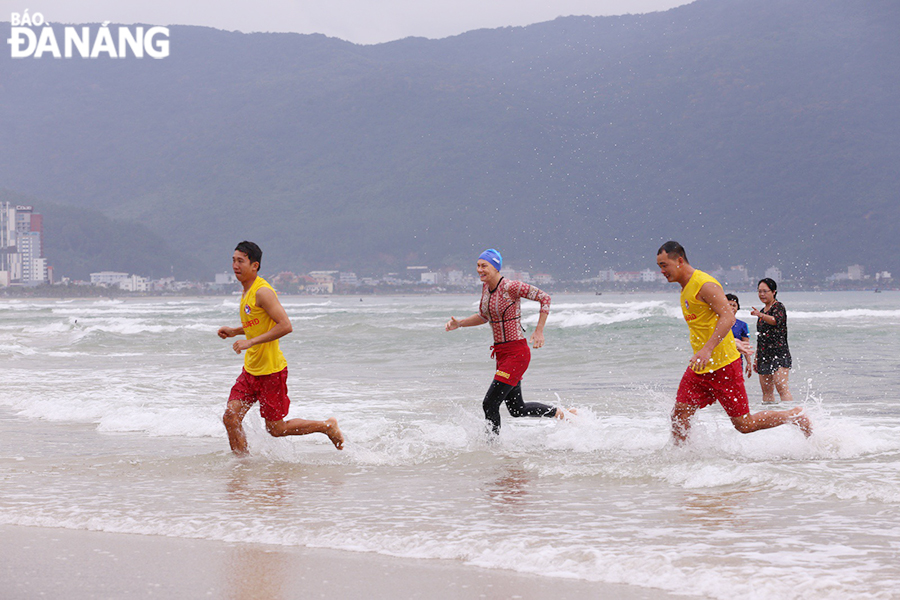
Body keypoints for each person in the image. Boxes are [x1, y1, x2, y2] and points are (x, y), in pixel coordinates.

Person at [655, 241, 811, 445]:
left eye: (664, 265)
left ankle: (794, 415)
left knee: (744, 424)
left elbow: (728, 318)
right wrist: (732, 343)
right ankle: (680, 462)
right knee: (679, 415)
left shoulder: (705, 284)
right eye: (659, 266)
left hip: (724, 367)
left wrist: (708, 349)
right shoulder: (685, 288)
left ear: (680, 260)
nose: (662, 271)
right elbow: (707, 325)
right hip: (701, 367)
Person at [218, 241, 344, 456]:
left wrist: (249, 342)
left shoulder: (262, 292)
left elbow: (285, 325)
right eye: (233, 260)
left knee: (276, 429)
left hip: (271, 372)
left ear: (254, 265)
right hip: (251, 371)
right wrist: (235, 331)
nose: (235, 265)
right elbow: (257, 324)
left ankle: (327, 426)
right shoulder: (246, 291)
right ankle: (241, 467)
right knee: (231, 417)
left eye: (241, 261)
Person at [445, 248, 572, 434]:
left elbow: (545, 298)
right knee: (517, 409)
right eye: (478, 266)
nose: (480, 269)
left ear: (496, 267)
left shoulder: (511, 287)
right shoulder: (486, 288)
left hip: (516, 354)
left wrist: (539, 331)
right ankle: (564, 414)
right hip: (502, 354)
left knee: (489, 403)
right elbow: (483, 316)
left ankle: (492, 448)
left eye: (484, 266)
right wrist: (460, 324)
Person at [751, 278, 794, 404]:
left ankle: (790, 417)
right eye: (759, 291)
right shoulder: (762, 311)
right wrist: (756, 357)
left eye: (765, 291)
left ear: (774, 292)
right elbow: (760, 337)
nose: (762, 294)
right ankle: (770, 419)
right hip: (764, 355)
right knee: (767, 391)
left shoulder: (778, 306)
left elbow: (776, 320)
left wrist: (760, 315)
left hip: (779, 353)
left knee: (782, 388)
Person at [725, 293, 753, 378]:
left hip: (736, 361)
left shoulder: (742, 325)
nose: (732, 307)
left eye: (734, 305)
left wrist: (749, 363)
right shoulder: (716, 323)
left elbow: (746, 346)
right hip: (719, 360)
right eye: (729, 305)